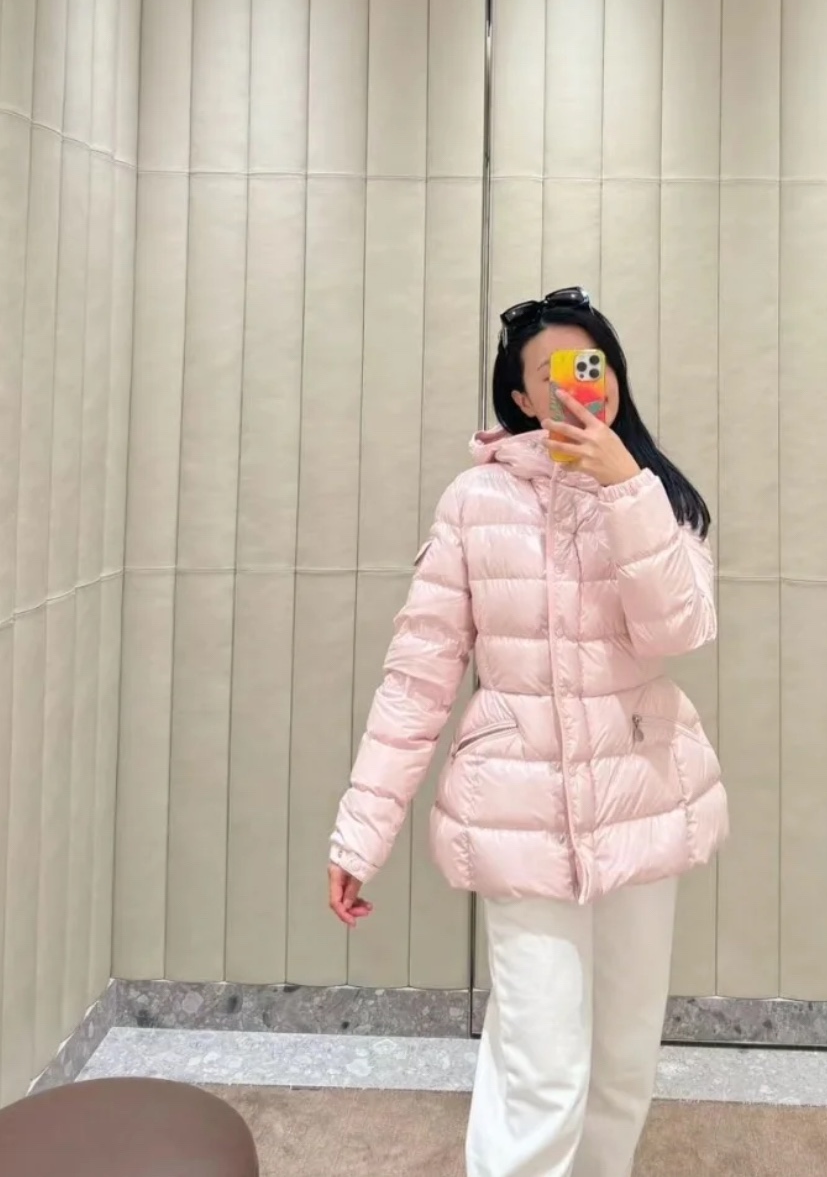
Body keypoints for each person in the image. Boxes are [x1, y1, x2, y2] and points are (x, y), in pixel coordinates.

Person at [328, 286, 729, 1177]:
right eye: (554, 372)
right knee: (540, 1069)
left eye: (593, 363)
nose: (582, 382)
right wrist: (361, 830)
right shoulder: (475, 501)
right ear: (519, 396)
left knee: (622, 1061)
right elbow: (419, 675)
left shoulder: (656, 493)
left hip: (640, 798)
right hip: (518, 811)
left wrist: (625, 486)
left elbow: (678, 630)